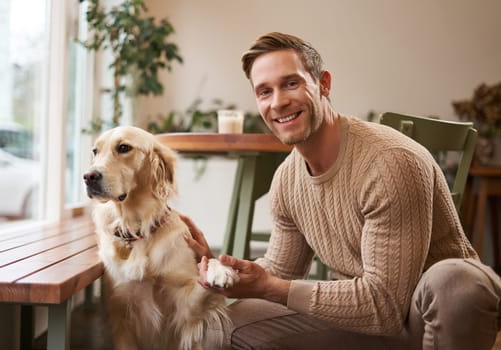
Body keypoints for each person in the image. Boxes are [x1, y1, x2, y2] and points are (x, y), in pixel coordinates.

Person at [182, 32, 501, 349]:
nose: (278, 102)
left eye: (291, 83)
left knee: (458, 283)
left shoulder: (389, 162)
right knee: (220, 328)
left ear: (323, 84)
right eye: (265, 91)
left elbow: (386, 306)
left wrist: (271, 288)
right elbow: (280, 271)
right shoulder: (287, 181)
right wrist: (218, 270)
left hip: (425, 318)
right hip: (359, 321)